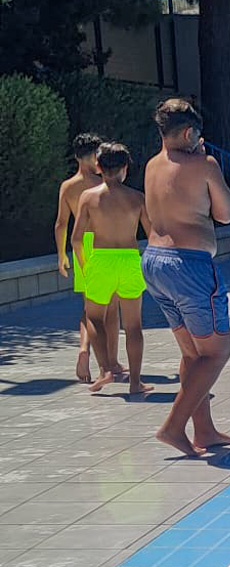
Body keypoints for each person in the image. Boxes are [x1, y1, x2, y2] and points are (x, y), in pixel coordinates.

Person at [141, 97, 230, 456]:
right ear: (188, 133)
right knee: (216, 352)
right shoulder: (203, 164)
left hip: (154, 262)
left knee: (193, 354)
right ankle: (173, 427)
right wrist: (207, 164)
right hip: (189, 265)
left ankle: (204, 431)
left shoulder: (152, 165)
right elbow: (227, 212)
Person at [70, 143, 152, 395]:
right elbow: (153, 235)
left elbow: (76, 238)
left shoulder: (89, 197)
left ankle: (106, 369)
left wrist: (85, 265)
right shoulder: (137, 198)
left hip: (101, 259)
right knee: (133, 325)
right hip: (129, 259)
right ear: (125, 168)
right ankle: (135, 382)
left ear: (98, 166)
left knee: (94, 317)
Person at [54, 132, 122, 383]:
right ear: (96, 157)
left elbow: (61, 223)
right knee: (111, 309)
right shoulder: (102, 183)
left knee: (90, 307)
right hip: (104, 243)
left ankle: (84, 349)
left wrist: (61, 254)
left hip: (81, 244)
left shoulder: (68, 186)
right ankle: (111, 362)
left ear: (76, 157)